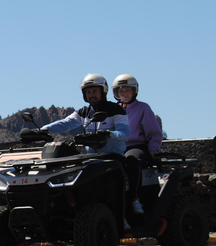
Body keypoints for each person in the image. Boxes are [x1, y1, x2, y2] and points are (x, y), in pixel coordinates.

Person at [38, 74, 130, 156]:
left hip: (113, 158)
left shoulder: (116, 110)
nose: (91, 95)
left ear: (103, 91)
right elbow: (65, 124)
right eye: (88, 92)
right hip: (91, 159)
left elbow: (124, 133)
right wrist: (43, 130)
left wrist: (109, 134)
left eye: (94, 91)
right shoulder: (84, 112)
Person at [112, 74, 163, 216]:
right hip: (117, 147)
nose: (124, 94)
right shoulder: (112, 109)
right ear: (116, 93)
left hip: (136, 146)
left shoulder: (143, 108)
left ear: (135, 91)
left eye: (128, 90)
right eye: (121, 91)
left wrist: (153, 149)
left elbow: (154, 133)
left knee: (131, 161)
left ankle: (135, 200)